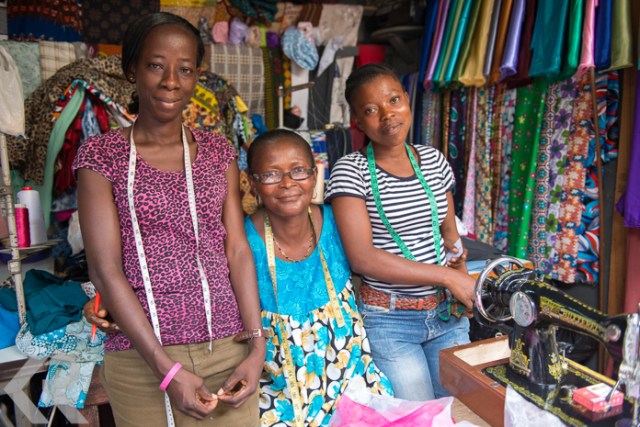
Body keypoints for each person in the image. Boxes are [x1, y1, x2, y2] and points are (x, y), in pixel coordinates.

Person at [86, 129, 393, 426]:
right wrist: (102, 303)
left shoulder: (339, 223)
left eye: (299, 170)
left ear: (314, 174)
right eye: (271, 175)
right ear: (251, 184)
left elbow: (387, 254)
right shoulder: (240, 243)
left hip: (351, 387)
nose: (287, 183)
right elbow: (190, 272)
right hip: (278, 393)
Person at [73, 12, 265, 427]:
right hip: (143, 357)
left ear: (198, 76)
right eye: (156, 65)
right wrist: (168, 370)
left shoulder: (218, 152)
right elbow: (105, 272)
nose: (171, 82)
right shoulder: (99, 157)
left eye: (185, 69)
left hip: (228, 347)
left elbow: (236, 249)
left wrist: (257, 348)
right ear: (132, 70)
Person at [325, 63, 476, 401]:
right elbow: (363, 258)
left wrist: (462, 281)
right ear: (359, 122)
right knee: (416, 418)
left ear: (407, 100)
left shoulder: (433, 160)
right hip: (391, 321)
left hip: (446, 314)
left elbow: (450, 236)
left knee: (457, 412)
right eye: (370, 110)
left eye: (393, 100)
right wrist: (448, 278)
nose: (387, 115)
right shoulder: (351, 171)